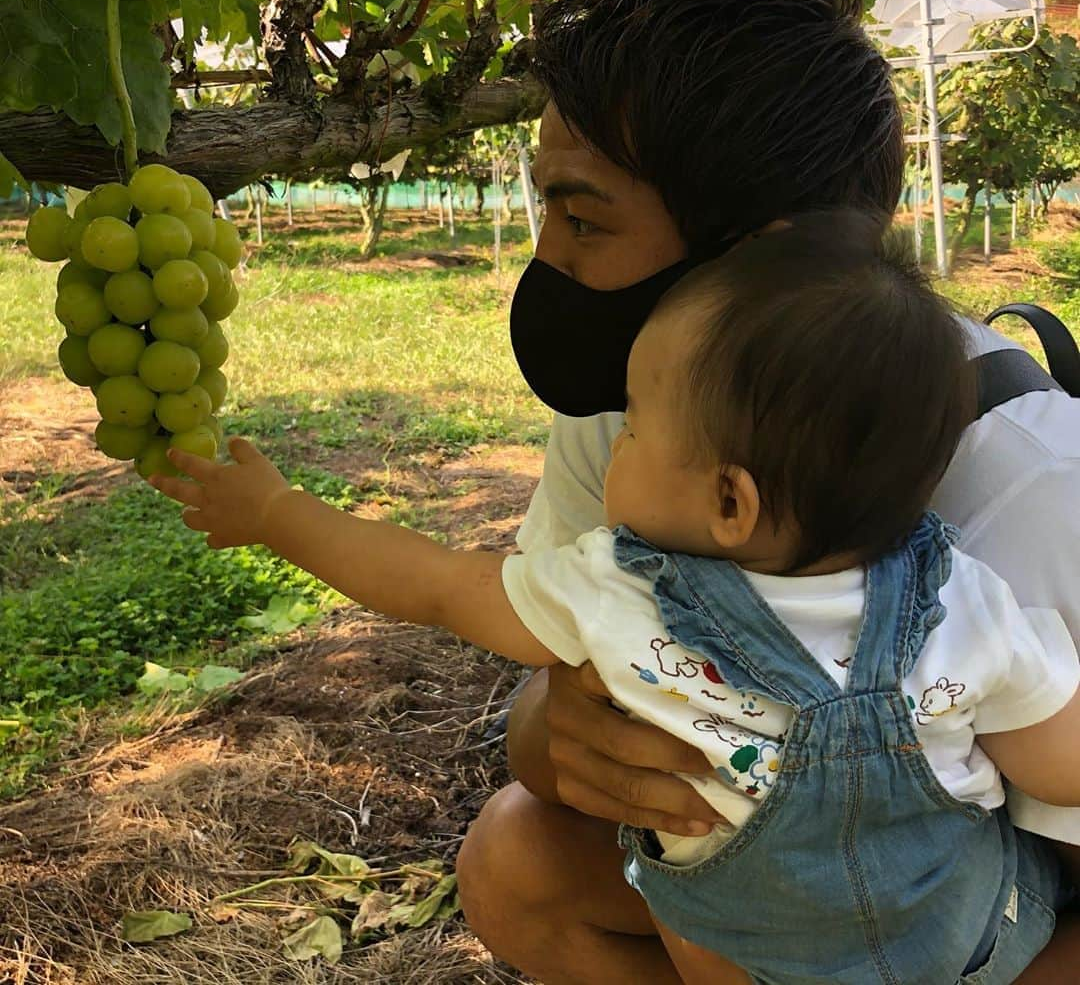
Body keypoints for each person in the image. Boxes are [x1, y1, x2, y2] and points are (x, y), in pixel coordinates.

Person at [150, 212, 1079, 983]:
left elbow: (432, 585)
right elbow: (1059, 767)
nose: (614, 442)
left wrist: (276, 512)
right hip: (978, 948)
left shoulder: (620, 595)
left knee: (694, 892)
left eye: (633, 424)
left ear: (729, 500)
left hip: (758, 963)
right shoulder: (965, 597)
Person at [455, 0, 1080, 985]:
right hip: (789, 890)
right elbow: (550, 703)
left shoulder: (1040, 503)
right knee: (516, 860)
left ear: (769, 251)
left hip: (1002, 916)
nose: (547, 261)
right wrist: (564, 731)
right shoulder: (640, 422)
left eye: (583, 219)